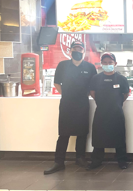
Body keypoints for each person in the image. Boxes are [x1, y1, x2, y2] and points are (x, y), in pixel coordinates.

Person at [44, 41, 97, 175]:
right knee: (63, 133)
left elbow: (93, 86)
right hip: (67, 103)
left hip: (83, 103)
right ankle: (59, 162)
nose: (77, 51)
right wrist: (67, 94)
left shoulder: (90, 67)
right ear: (70, 50)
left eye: (80, 49)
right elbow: (56, 83)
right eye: (75, 49)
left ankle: (80, 158)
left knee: (82, 133)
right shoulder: (62, 65)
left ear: (84, 51)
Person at [86, 53, 130, 170]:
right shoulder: (96, 78)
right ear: (101, 64)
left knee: (119, 137)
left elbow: (125, 94)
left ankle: (122, 161)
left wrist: (116, 103)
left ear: (115, 64)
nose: (107, 64)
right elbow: (92, 92)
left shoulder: (121, 79)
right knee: (98, 137)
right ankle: (96, 160)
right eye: (105, 63)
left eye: (110, 63)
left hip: (116, 112)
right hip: (101, 112)